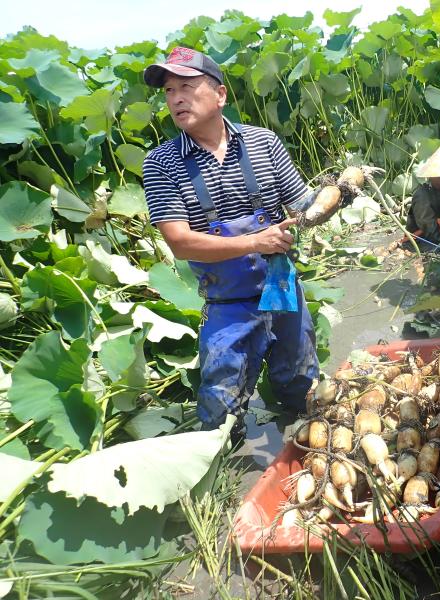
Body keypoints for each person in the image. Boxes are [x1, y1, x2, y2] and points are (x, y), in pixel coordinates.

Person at [141, 47, 319, 443]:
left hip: (280, 286)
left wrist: (340, 190)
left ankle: (303, 445)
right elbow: (180, 242)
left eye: (186, 86)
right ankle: (228, 476)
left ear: (219, 95)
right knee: (220, 408)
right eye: (169, 91)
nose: (176, 99)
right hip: (227, 302)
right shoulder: (161, 163)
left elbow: (304, 204)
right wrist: (257, 240)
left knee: (301, 385)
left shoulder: (263, 142)